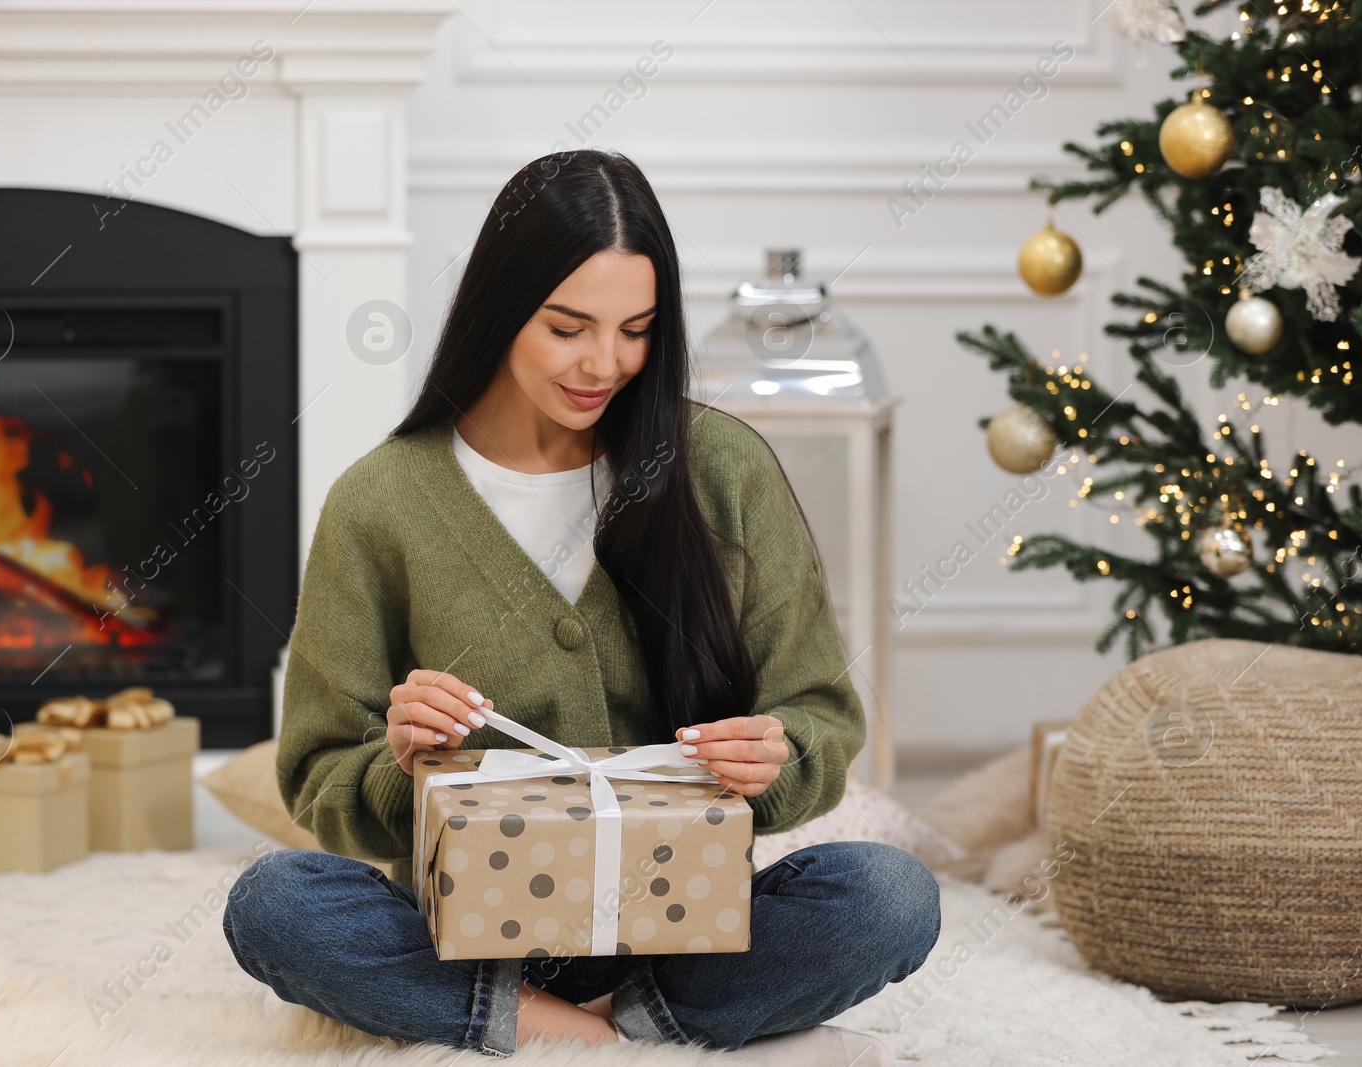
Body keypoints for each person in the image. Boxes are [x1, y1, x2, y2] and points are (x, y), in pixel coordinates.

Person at [222, 148, 940, 1064]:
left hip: (690, 923)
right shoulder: (382, 502)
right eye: (568, 328)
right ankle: (601, 1031)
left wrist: (777, 750)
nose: (606, 363)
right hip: (466, 927)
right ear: (500, 310)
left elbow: (819, 715)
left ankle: (590, 1022)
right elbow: (321, 772)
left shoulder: (724, 470)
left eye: (637, 329)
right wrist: (399, 757)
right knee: (274, 902)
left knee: (889, 895)